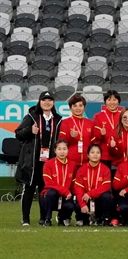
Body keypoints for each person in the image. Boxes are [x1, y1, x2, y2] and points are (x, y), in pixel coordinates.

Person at [15, 91, 62, 226]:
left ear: (53, 102)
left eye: (50, 100)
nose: (47, 102)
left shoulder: (57, 119)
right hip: (32, 160)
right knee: (29, 188)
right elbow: (18, 134)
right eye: (44, 100)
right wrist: (30, 130)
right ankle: (25, 218)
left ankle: (44, 217)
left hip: (49, 161)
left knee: (45, 189)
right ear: (39, 102)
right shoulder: (32, 116)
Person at [73, 144, 113, 226]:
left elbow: (106, 186)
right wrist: (82, 204)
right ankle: (82, 219)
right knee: (78, 203)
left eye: (98, 152)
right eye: (92, 152)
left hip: (98, 199)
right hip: (86, 199)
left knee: (107, 196)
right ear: (88, 155)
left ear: (101, 155)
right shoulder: (81, 169)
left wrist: (90, 193)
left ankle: (105, 219)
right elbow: (78, 188)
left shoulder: (105, 169)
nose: (95, 154)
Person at [41, 140, 77, 226]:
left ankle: (62, 217)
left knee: (70, 206)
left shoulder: (72, 164)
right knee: (52, 193)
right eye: (59, 149)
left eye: (64, 149)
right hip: (51, 195)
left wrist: (76, 195)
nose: (62, 152)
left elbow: (73, 183)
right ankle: (48, 218)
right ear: (55, 150)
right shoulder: (48, 164)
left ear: (68, 150)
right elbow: (48, 183)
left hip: (66, 196)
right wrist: (64, 191)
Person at [58, 94, 95, 166]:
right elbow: (61, 141)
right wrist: (70, 136)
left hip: (87, 162)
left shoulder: (90, 123)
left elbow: (93, 143)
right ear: (70, 108)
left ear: (84, 108)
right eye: (75, 106)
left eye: (80, 105)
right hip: (70, 162)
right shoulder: (65, 122)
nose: (78, 108)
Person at [91, 90, 122, 168]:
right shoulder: (98, 116)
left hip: (120, 155)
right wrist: (101, 134)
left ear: (119, 102)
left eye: (114, 100)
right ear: (105, 102)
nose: (112, 102)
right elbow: (94, 137)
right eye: (109, 100)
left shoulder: (123, 116)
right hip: (104, 155)